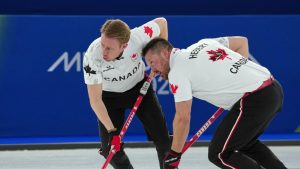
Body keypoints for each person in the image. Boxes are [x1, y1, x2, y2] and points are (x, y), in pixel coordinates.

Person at [142, 37, 287, 169]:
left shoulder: (177, 72)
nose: (153, 71)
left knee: (219, 153)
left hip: (255, 98)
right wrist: (238, 77)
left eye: (152, 63)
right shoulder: (204, 43)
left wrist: (174, 154)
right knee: (246, 144)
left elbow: (182, 118)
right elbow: (241, 42)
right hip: (273, 89)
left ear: (165, 53)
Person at [83, 18, 171, 169]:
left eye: (109, 48)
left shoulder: (137, 37)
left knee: (163, 140)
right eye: (102, 44)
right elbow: (95, 100)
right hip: (108, 98)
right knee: (110, 150)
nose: (103, 51)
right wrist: (112, 131)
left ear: (124, 45)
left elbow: (162, 23)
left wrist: (159, 58)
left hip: (139, 90)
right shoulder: (93, 55)